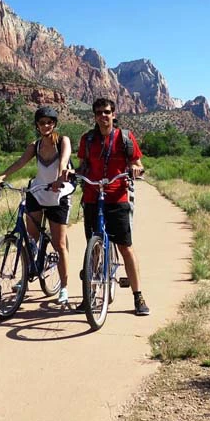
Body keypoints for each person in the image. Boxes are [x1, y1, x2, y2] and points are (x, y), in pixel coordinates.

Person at [77, 98, 150, 316]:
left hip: (117, 197)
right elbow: (83, 165)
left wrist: (136, 169)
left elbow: (137, 163)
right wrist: (73, 173)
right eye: (99, 112)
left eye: (107, 112)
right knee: (93, 248)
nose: (103, 116)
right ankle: (89, 294)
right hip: (92, 197)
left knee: (125, 247)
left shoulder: (124, 138)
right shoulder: (87, 139)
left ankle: (138, 296)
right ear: (94, 116)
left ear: (113, 114)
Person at [0, 106, 74, 304]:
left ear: (54, 124)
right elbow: (20, 162)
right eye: (42, 123)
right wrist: (2, 176)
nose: (46, 125)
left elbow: (64, 161)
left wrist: (60, 177)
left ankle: (64, 287)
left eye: (49, 122)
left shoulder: (62, 141)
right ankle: (28, 273)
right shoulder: (35, 146)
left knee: (59, 243)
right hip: (38, 191)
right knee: (31, 238)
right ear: (37, 125)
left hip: (59, 193)